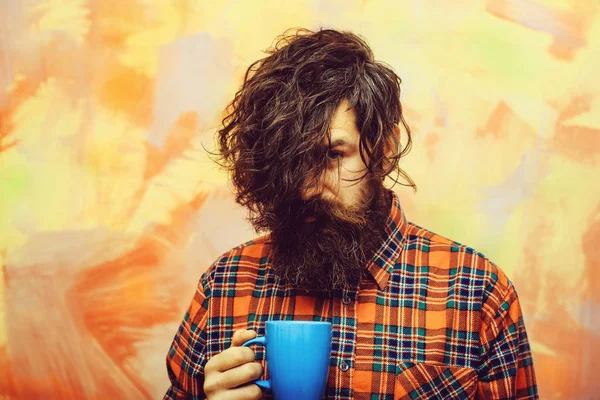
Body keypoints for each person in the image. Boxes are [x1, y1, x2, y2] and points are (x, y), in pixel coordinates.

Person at [163, 28, 538, 400]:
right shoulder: (225, 284)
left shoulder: (476, 292)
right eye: (290, 162)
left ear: (384, 149)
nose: (306, 188)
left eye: (331, 155)